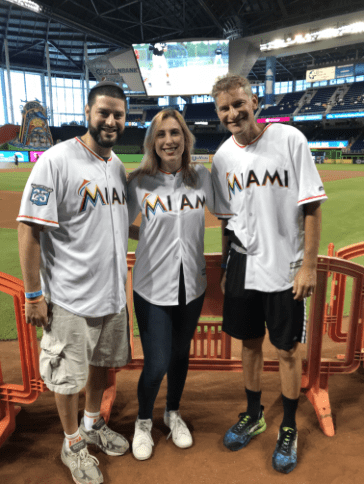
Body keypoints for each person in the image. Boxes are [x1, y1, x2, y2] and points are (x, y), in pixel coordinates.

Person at [210, 74, 327, 474]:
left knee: (288, 350)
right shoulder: (222, 157)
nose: (232, 113)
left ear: (254, 102)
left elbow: (312, 207)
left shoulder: (290, 140)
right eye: (224, 108)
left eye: (238, 104)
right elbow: (227, 221)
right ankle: (254, 414)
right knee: (249, 345)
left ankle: (289, 426)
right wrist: (227, 266)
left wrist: (309, 265)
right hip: (243, 264)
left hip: (286, 265)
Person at [17, 81, 131, 484]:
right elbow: (29, 228)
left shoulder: (116, 165)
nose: (111, 120)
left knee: (101, 366)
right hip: (69, 297)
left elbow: (124, 226)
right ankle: (71, 443)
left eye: (118, 114)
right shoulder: (56, 160)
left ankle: (92, 424)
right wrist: (34, 294)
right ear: (88, 113)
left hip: (111, 295)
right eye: (104, 112)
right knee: (67, 376)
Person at [127, 108, 214, 461]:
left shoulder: (202, 178)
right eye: (161, 134)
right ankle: (143, 421)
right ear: (153, 141)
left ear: (185, 138)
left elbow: (230, 214)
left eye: (175, 133)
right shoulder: (139, 182)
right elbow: (117, 226)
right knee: (157, 361)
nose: (169, 140)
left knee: (180, 355)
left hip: (191, 284)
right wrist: (145, 235)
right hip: (151, 285)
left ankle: (172, 413)